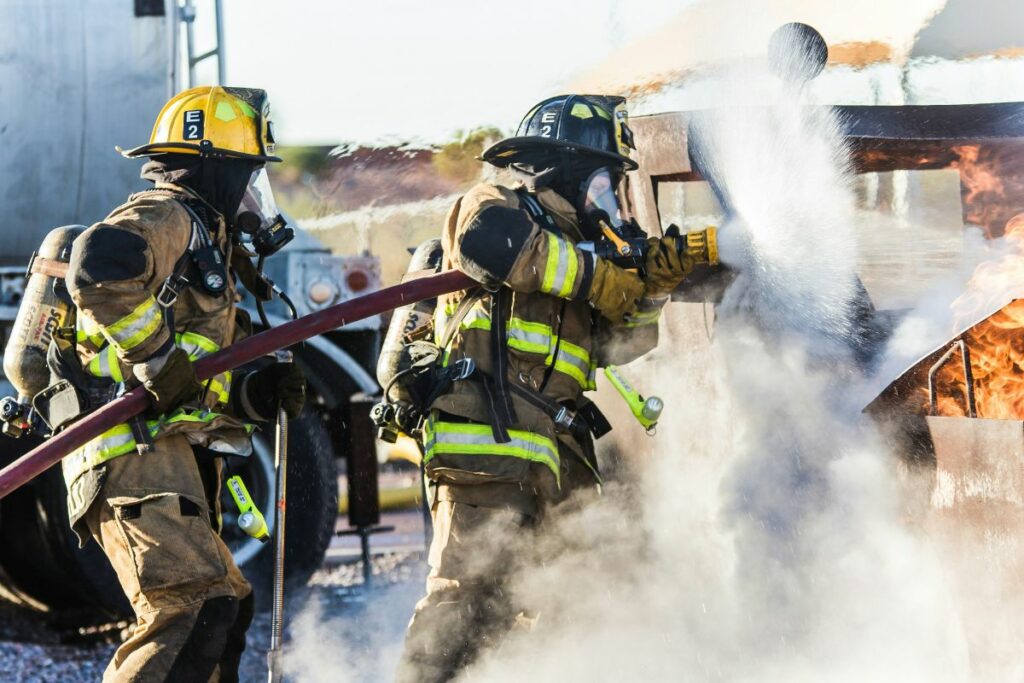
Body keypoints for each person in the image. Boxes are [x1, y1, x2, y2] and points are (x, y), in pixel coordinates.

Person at [395, 94, 693, 682]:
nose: (612, 202)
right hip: (485, 449)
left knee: (562, 609)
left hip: (557, 458)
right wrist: (600, 275)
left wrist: (651, 287)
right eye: (605, 184)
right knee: (460, 607)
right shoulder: (496, 205)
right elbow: (491, 243)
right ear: (567, 171)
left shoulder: (584, 250)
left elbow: (620, 345)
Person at [59, 85, 305, 682]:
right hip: (129, 450)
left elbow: (195, 376)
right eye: (248, 176)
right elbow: (97, 266)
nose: (254, 195)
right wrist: (158, 359)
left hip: (166, 453)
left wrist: (252, 393)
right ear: (214, 167)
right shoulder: (167, 215)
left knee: (225, 605)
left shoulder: (207, 242)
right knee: (192, 607)